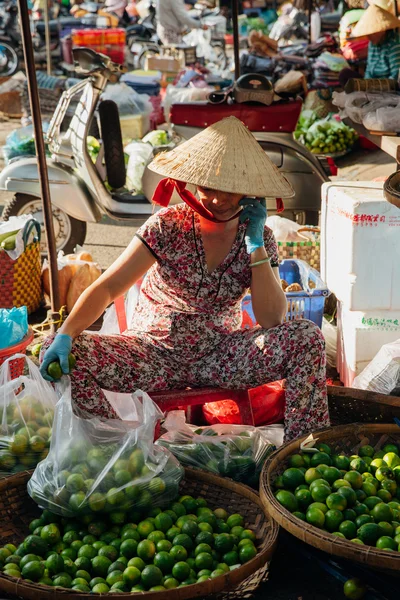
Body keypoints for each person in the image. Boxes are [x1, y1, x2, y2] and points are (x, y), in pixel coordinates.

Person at [40, 117, 330, 442]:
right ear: (191, 185)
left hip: (220, 355)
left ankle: (304, 453)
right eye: (208, 189)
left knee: (308, 338)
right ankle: (113, 446)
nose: (219, 200)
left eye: (231, 191)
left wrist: (256, 246)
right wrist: (65, 333)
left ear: (249, 191)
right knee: (56, 348)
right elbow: (109, 286)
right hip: (152, 351)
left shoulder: (258, 235)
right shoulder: (166, 226)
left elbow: (271, 318)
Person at [351, 0, 400, 79]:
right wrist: (367, 84)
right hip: (373, 85)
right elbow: (369, 70)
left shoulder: (394, 44)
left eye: (371, 33)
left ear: (381, 30)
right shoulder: (372, 44)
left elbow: (395, 74)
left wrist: (378, 85)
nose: (368, 37)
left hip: (388, 86)